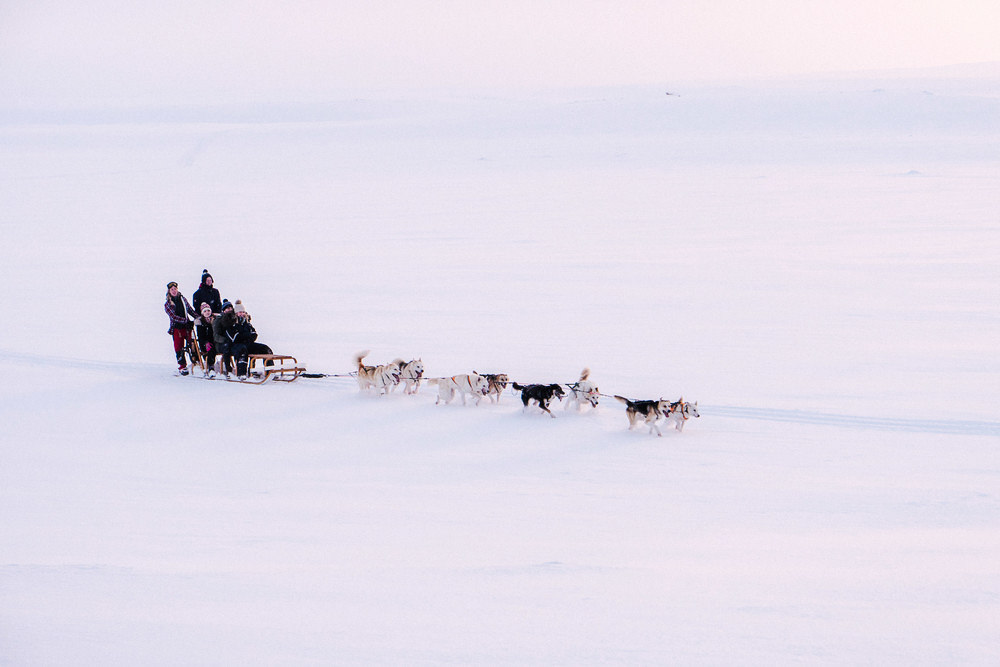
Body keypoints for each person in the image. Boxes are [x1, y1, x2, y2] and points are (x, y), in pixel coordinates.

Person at [227, 300, 274, 379]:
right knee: (242, 350)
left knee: (265, 349)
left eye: (243, 312)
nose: (242, 314)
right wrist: (247, 336)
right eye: (240, 312)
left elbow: (254, 334)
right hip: (235, 346)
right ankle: (241, 373)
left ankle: (270, 371)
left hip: (248, 344)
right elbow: (235, 338)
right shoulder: (231, 323)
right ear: (236, 313)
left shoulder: (247, 323)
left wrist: (245, 336)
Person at [164, 281, 197, 375]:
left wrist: (198, 317)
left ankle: (195, 361)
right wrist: (184, 320)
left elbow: (189, 310)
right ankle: (182, 366)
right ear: (169, 291)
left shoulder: (182, 299)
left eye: (175, 289)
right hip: (177, 328)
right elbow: (173, 317)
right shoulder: (168, 304)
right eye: (172, 290)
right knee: (179, 347)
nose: (174, 291)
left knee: (192, 343)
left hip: (187, 327)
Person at [212, 299, 237, 377]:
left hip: (232, 341)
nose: (229, 309)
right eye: (227, 308)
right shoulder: (218, 319)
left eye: (230, 308)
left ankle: (240, 369)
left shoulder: (234, 318)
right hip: (220, 343)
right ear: (224, 310)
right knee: (227, 348)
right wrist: (224, 340)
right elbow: (216, 335)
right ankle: (228, 369)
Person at [194, 301, 218, 378]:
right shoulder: (200, 322)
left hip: (214, 341)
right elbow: (201, 336)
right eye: (205, 311)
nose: (207, 312)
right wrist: (205, 342)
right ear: (202, 313)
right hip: (205, 342)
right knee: (210, 348)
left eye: (208, 310)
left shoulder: (214, 320)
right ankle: (211, 367)